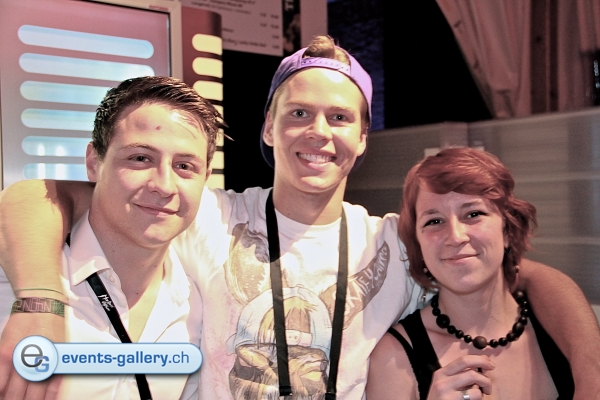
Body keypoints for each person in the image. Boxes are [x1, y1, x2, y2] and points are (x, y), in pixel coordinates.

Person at [0, 36, 599, 400]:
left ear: (362, 139)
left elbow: (526, 275)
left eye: (339, 118)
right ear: (268, 127)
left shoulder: (391, 240)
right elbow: (38, 196)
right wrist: (38, 304)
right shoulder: (205, 213)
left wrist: (591, 373)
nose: (318, 132)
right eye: (298, 114)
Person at [0, 76, 224, 399]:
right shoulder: (15, 285)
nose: (164, 185)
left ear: (205, 178)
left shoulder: (197, 309)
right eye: (140, 158)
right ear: (94, 162)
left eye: (184, 166)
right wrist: (39, 302)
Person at [366, 148, 575, 400]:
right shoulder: (393, 357)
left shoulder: (562, 328)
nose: (455, 237)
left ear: (507, 231)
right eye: (434, 221)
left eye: (473, 214)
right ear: (418, 246)